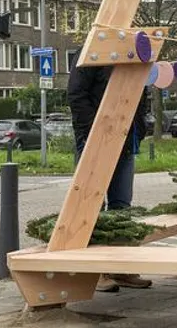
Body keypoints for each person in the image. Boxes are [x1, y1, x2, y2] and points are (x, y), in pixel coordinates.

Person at [67, 59, 151, 293]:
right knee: (91, 206)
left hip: (126, 139)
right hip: (95, 140)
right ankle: (95, 271)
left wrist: (139, 126)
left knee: (122, 206)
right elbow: (76, 94)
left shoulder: (132, 56)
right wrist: (95, 131)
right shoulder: (91, 54)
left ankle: (119, 268)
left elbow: (141, 92)